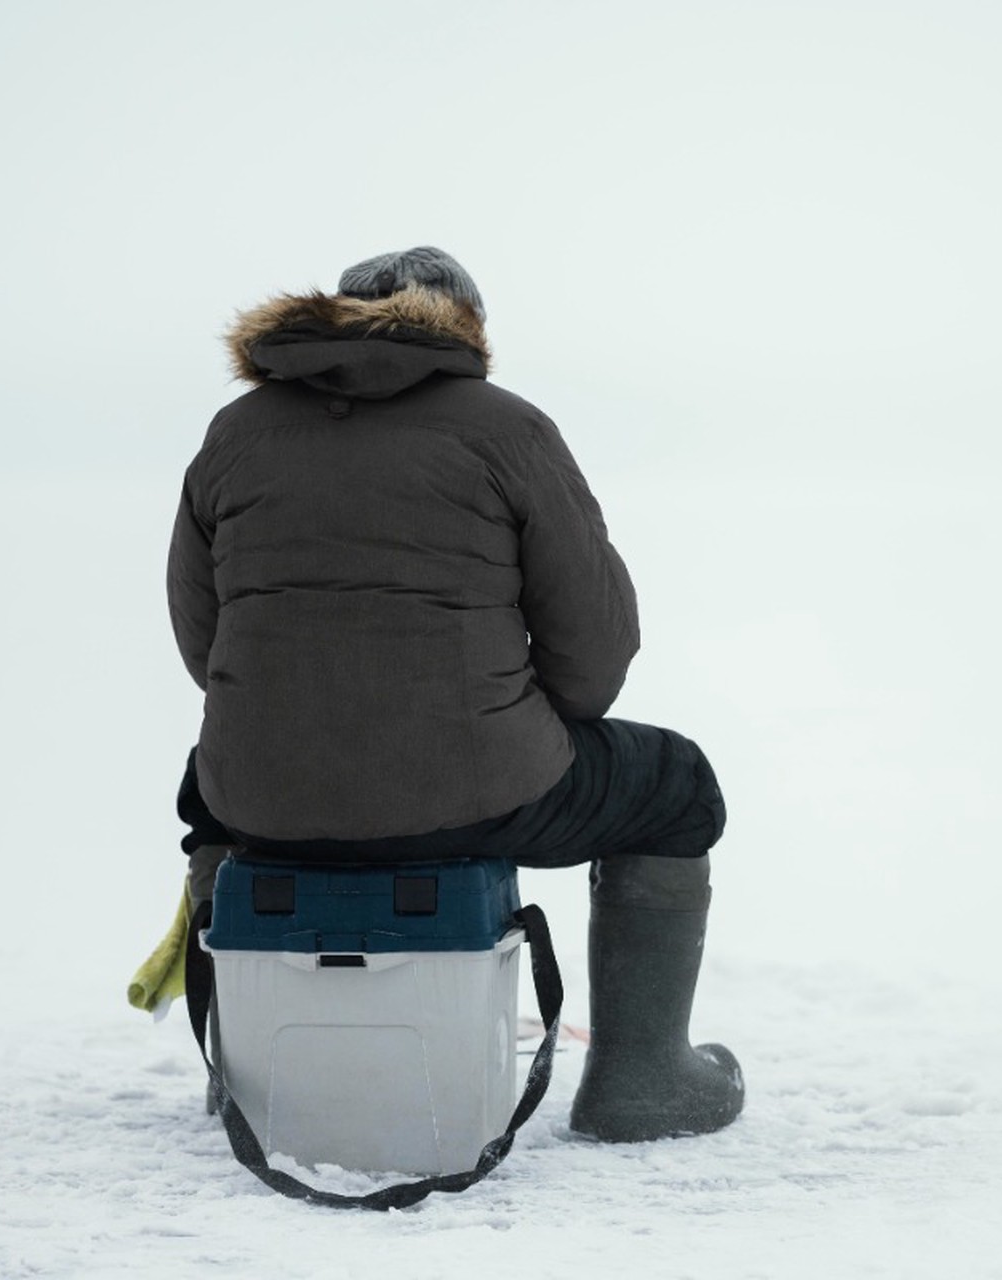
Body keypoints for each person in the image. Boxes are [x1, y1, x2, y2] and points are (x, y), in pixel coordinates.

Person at [165, 247, 743, 1142]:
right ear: (464, 326)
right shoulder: (507, 429)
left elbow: (206, 650)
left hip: (263, 800)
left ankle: (242, 1072)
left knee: (209, 790)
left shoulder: (235, 433)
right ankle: (643, 1081)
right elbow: (594, 654)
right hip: (476, 796)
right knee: (675, 786)